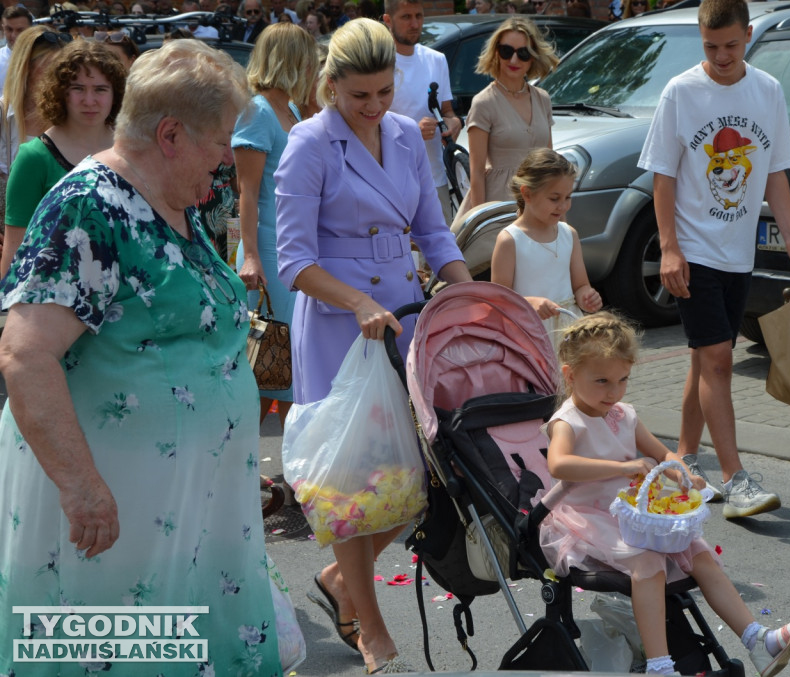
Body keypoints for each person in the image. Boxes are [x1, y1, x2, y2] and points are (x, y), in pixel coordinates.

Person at [0, 38, 291, 675]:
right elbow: (25, 355)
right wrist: (82, 490)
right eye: (219, 143)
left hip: (191, 517)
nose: (224, 162)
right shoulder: (90, 208)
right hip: (119, 524)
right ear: (169, 134)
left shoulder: (172, 201)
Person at [274, 18, 472, 673]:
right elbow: (294, 260)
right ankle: (372, 626)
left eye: (385, 91)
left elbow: (434, 232)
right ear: (330, 85)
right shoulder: (308, 143)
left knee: (412, 479)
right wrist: (356, 300)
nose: (375, 105)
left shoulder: (404, 136)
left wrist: (470, 295)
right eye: (359, 94)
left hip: (404, 318)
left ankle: (340, 579)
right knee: (351, 485)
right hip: (339, 325)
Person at [540, 311, 790, 677]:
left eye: (623, 380)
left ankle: (757, 640)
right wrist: (622, 469)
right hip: (591, 516)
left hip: (634, 513)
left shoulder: (623, 414)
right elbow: (559, 465)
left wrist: (682, 471)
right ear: (570, 375)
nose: (614, 391)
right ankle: (659, 666)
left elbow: (664, 453)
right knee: (648, 563)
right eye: (602, 380)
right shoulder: (568, 421)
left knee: (699, 554)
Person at [637, 0, 790, 518]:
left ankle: (684, 462)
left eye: (731, 45)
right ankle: (734, 479)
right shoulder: (681, 92)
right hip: (694, 253)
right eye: (710, 47)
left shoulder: (768, 91)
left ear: (748, 36)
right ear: (701, 39)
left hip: (738, 251)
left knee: (703, 360)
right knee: (719, 360)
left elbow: (774, 171)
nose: (721, 56)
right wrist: (670, 247)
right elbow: (663, 175)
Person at [233, 21, 318, 424]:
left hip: (291, 248)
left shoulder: (292, 108)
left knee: (286, 366)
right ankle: (244, 467)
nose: (313, 67)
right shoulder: (258, 111)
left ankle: (286, 469)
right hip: (265, 248)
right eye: (308, 59)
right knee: (262, 363)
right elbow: (247, 192)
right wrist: (250, 256)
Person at [1, 41, 124, 279]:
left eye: (100, 89)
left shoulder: (133, 150)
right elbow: (14, 254)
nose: (89, 100)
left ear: (116, 93)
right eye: (78, 88)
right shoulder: (34, 157)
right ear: (60, 92)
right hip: (53, 303)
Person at [491, 148, 601, 345]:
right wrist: (531, 303)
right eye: (554, 198)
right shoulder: (510, 240)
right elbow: (499, 300)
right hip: (529, 333)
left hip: (569, 330)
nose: (563, 206)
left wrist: (587, 296)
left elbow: (580, 284)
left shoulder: (569, 234)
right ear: (528, 194)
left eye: (568, 197)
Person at [454, 16, 557, 221]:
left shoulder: (542, 99)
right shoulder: (484, 102)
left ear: (533, 56)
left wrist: (557, 208)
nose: (514, 60)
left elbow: (550, 164)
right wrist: (482, 220)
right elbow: (476, 174)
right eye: (506, 51)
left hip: (538, 202)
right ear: (496, 52)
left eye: (523, 53)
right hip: (499, 206)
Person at [383, 0, 462, 223]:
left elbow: (447, 112)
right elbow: (368, 122)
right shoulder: (379, 62)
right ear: (388, 20)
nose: (415, 23)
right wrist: (412, 131)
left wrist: (454, 123)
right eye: (406, 17)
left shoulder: (436, 60)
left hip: (434, 178)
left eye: (419, 16)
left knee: (440, 254)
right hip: (392, 180)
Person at [0, 27, 69, 256]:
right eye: (49, 67)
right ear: (25, 68)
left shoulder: (73, 118)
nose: (58, 76)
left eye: (63, 68)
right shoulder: (3, 113)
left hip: (59, 244)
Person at [0, 6, 31, 93]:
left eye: (20, 30)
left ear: (31, 30)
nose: (14, 35)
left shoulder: (43, 58)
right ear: (3, 28)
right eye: (9, 29)